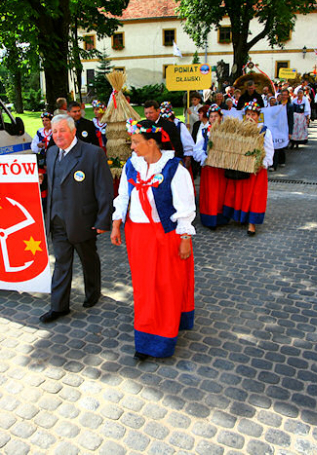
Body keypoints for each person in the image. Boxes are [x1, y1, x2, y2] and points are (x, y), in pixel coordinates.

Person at [111, 119, 196, 360]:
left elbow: (186, 207)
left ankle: (164, 335)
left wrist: (185, 237)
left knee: (166, 286)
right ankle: (148, 339)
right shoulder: (132, 165)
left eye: (136, 142)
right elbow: (123, 195)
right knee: (144, 288)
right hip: (138, 236)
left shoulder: (173, 169)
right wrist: (117, 223)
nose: (132, 147)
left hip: (167, 235)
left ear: (151, 142)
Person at [42, 115, 113, 323]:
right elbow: (53, 183)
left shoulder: (92, 154)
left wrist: (103, 220)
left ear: (73, 131)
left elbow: (104, 189)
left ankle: (93, 293)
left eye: (62, 130)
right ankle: (59, 306)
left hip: (83, 220)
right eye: (54, 131)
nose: (58, 135)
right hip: (57, 220)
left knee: (89, 260)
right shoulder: (52, 152)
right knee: (61, 264)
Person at [222, 104, 273, 236]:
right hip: (242, 169)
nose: (250, 117)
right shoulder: (240, 130)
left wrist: (262, 163)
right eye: (248, 114)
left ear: (258, 116)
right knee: (242, 194)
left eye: (253, 115)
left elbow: (268, 150)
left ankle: (252, 224)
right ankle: (241, 217)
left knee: (255, 197)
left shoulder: (264, 130)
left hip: (257, 170)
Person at [193, 106, 227, 229]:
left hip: (223, 167)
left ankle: (221, 218)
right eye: (211, 116)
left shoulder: (227, 131)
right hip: (209, 167)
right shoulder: (204, 131)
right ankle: (210, 219)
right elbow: (197, 148)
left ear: (221, 117)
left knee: (222, 193)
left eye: (216, 116)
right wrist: (205, 158)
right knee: (211, 193)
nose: (213, 119)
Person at [160, 102, 194, 169]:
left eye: (167, 119)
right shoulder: (159, 127)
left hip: (178, 159)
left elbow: (188, 143)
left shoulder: (179, 126)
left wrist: (187, 158)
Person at [31, 111, 54, 203]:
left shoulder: (55, 131)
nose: (45, 122)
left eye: (47, 120)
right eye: (43, 121)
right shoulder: (40, 132)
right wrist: (38, 145)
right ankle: (44, 200)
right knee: (42, 179)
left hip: (53, 158)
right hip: (42, 160)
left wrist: (47, 145)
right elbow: (33, 147)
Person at [262, 95, 289, 170]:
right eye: (271, 101)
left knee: (276, 147)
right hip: (268, 128)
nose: (272, 102)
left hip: (276, 130)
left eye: (274, 101)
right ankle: (272, 164)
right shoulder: (266, 109)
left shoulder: (278, 108)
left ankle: (275, 164)